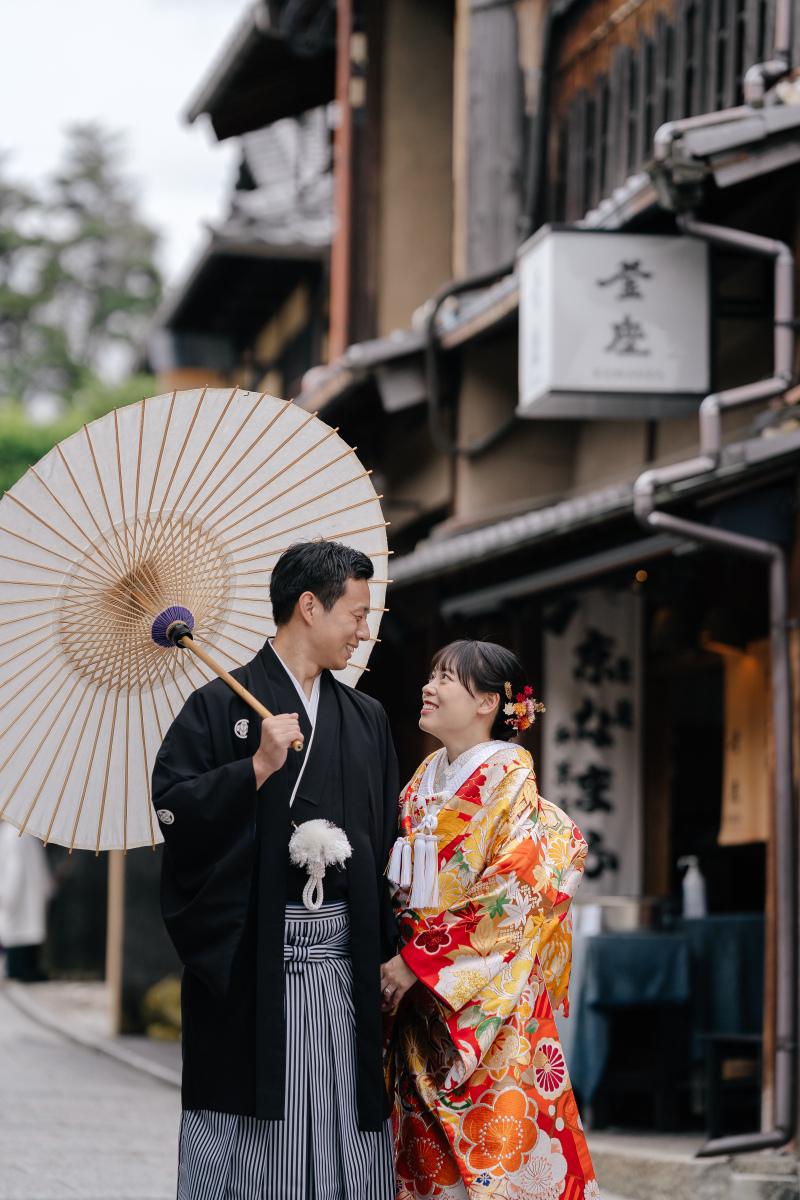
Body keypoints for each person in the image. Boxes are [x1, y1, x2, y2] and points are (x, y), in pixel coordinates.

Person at [152, 540, 399, 1200]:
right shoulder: (216, 707)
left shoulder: (366, 719)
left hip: (345, 966)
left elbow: (387, 841)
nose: (363, 630)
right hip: (256, 964)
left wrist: (390, 955)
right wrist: (253, 768)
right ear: (309, 607)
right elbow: (174, 811)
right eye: (355, 612)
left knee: (348, 1122)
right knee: (256, 1133)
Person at [381, 640, 598, 1200]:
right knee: (423, 1160)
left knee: (497, 1158)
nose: (428, 687)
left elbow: (515, 889)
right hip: (421, 1000)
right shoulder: (426, 776)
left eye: (445, 678)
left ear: (487, 702)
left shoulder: (509, 779)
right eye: (430, 674)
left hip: (485, 1000)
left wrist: (419, 958)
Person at [0, 822, 52, 982]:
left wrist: (6, 900)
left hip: (16, 905)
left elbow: (14, 873)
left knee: (17, 967)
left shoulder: (12, 835)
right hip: (26, 904)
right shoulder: (23, 833)